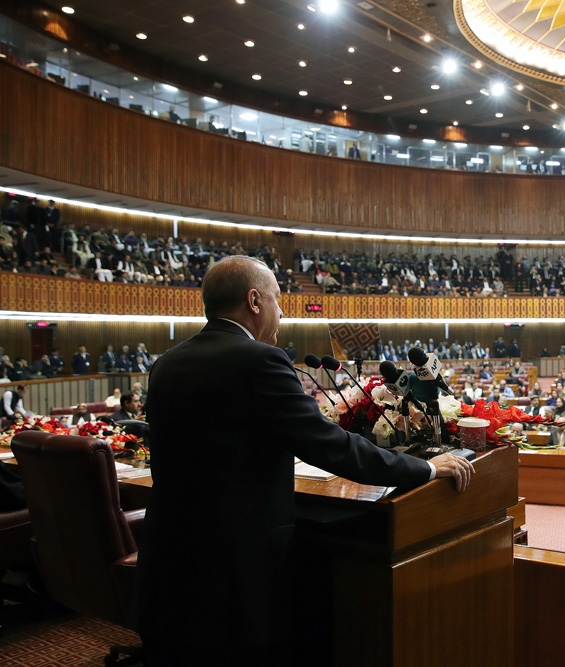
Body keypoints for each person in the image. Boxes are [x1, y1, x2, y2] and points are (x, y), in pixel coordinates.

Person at [135, 256, 475, 664]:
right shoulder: (259, 360)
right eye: (278, 299)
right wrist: (427, 467)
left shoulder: (167, 363)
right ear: (255, 301)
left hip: (169, 558)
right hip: (235, 569)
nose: (282, 312)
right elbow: (329, 445)